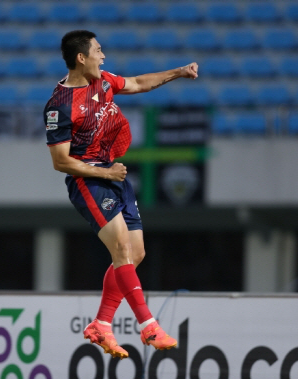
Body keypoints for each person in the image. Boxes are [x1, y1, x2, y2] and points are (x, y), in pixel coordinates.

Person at [43, 30, 198, 359]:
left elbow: (139, 83)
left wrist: (178, 72)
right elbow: (61, 162)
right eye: (98, 51)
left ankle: (101, 323)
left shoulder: (103, 81)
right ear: (81, 58)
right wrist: (104, 172)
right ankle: (148, 325)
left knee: (135, 253)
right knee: (122, 248)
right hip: (88, 179)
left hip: (113, 175)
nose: (104, 56)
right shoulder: (58, 106)